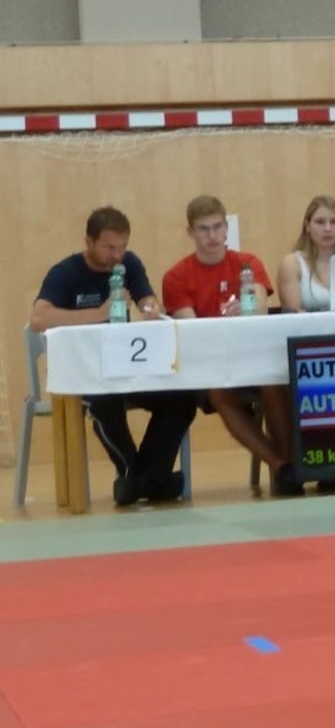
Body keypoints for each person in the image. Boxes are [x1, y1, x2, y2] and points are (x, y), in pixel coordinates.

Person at [30, 207, 199, 507]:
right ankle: (143, 476)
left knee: (182, 397)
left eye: (122, 247)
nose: (117, 255)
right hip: (86, 373)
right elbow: (38, 319)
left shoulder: (129, 264)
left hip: (128, 366)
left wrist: (151, 308)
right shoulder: (65, 272)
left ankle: (141, 479)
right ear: (89, 242)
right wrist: (98, 314)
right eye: (109, 247)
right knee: (104, 404)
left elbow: (148, 299)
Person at [160, 195, 304, 496]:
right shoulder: (176, 276)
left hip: (252, 355)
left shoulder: (247, 263)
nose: (212, 236)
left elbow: (261, 308)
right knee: (218, 392)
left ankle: (290, 465)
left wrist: (248, 309)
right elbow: (192, 330)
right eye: (203, 229)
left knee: (272, 380)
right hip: (211, 362)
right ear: (190, 232)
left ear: (226, 228)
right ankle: (281, 465)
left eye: (217, 227)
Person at [276, 194, 335, 312]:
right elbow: (293, 315)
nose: (327, 228)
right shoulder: (292, 264)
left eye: (334, 222)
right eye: (320, 222)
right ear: (307, 226)